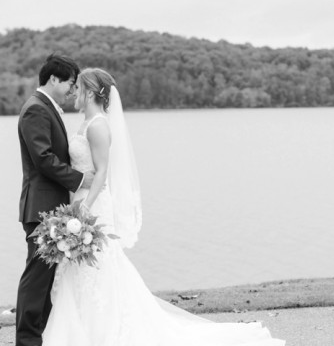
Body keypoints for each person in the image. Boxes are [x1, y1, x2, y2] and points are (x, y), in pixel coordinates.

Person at [41, 67, 285, 345]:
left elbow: (102, 173)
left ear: (89, 92)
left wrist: (85, 207)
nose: (74, 92)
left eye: (79, 87)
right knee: (82, 268)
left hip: (92, 205)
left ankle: (101, 332)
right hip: (79, 201)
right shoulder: (85, 123)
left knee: (97, 267)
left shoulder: (97, 125)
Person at [16, 54, 94, 346]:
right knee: (36, 277)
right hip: (41, 207)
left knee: (47, 278)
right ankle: (27, 341)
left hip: (51, 206)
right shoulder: (36, 109)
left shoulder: (46, 107)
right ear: (53, 79)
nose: (72, 90)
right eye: (70, 83)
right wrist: (80, 179)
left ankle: (43, 336)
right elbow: (43, 159)